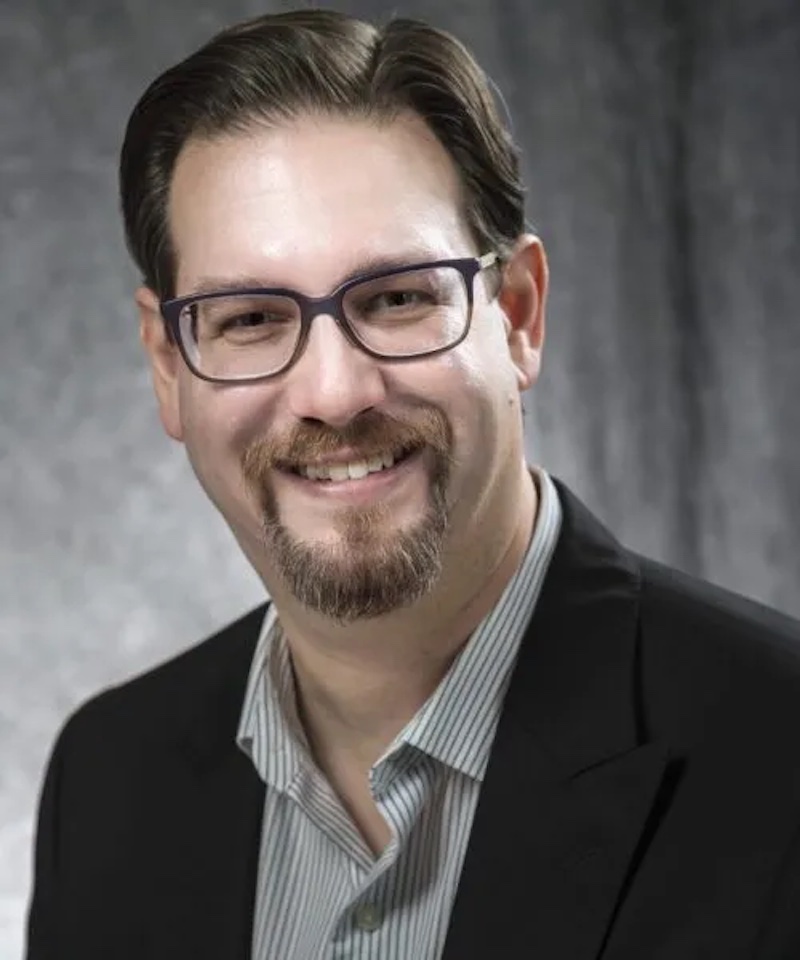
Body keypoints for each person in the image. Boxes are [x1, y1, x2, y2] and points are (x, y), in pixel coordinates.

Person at [25, 8, 800, 960]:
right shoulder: (105, 786)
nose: (335, 394)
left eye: (396, 299)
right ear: (167, 365)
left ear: (516, 315)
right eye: (252, 319)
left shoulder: (780, 758)